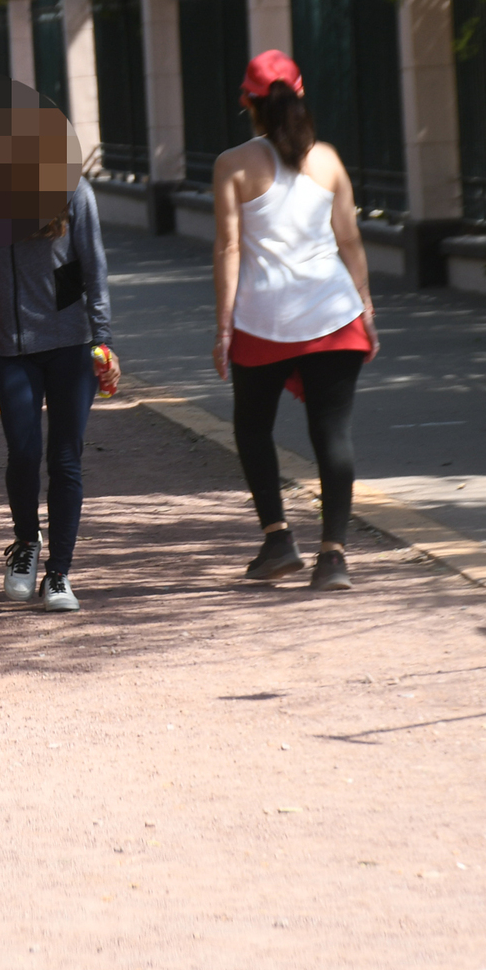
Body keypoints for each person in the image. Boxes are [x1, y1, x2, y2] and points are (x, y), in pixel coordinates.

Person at [212, 49, 379, 591]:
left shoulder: (233, 165)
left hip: (262, 320)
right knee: (333, 433)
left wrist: (223, 328)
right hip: (334, 314)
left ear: (248, 103)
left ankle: (278, 538)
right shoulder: (328, 160)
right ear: (300, 95)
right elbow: (349, 239)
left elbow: (228, 248)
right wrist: (367, 308)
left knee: (252, 427)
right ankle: (334, 557)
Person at [0, 177, 116, 613]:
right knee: (23, 453)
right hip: (14, 349)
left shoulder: (74, 191)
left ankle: (59, 572)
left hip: (71, 346)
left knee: (65, 458)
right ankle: (26, 541)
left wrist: (103, 340)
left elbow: (94, 267)